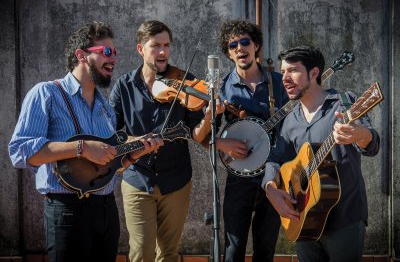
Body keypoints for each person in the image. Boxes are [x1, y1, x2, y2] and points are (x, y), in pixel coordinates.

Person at [8, 21, 162, 262]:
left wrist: (134, 153)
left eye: (115, 53)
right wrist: (81, 148)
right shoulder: (46, 94)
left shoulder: (106, 109)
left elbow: (109, 166)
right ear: (81, 55)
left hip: (105, 211)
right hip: (66, 212)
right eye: (107, 52)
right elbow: (19, 151)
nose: (114, 59)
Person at [109, 20, 224, 262]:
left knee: (169, 254)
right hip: (137, 179)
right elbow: (111, 134)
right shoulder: (124, 86)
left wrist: (210, 115)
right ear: (141, 49)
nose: (162, 52)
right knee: (141, 252)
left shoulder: (186, 81)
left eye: (166, 45)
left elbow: (197, 134)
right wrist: (137, 142)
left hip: (176, 180)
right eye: (155, 46)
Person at [262, 45, 380, 262]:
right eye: (283, 71)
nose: (285, 78)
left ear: (314, 73)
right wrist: (270, 188)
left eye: (293, 70)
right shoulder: (290, 120)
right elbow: (276, 159)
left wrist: (359, 134)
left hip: (344, 219)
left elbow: (371, 143)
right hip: (304, 218)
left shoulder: (344, 103)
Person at [216, 19, 289, 262]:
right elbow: (205, 136)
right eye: (233, 45)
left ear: (255, 45)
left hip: (275, 174)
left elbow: (297, 119)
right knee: (233, 249)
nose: (239, 48)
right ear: (229, 53)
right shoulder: (223, 87)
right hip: (240, 177)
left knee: (265, 250)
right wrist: (221, 143)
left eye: (244, 42)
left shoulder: (278, 82)